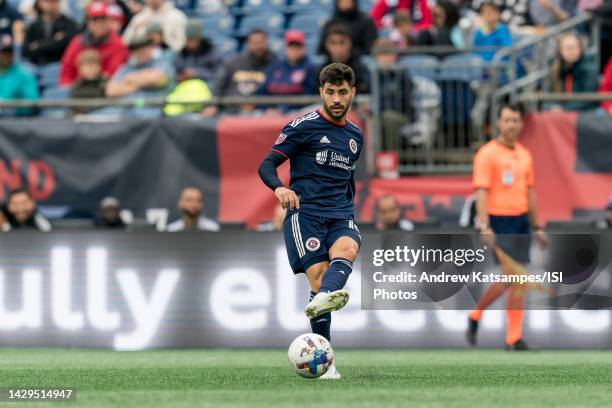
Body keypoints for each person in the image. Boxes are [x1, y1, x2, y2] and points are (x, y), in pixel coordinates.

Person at [258, 63, 363, 379]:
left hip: (341, 214)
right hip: (306, 215)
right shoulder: (302, 126)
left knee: (348, 249)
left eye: (342, 92)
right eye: (330, 92)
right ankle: (326, 361)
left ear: (352, 93)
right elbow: (267, 164)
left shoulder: (355, 135)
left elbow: (348, 180)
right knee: (319, 276)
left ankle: (321, 300)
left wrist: (349, 209)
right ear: (321, 92)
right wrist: (279, 189)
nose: (336, 98)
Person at [466, 103, 548, 351]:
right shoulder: (487, 154)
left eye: (515, 120)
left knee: (517, 280)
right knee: (517, 277)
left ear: (522, 124)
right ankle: (506, 333)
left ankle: (484, 320)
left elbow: (530, 192)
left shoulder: (525, 154)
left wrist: (538, 225)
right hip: (499, 221)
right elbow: (481, 192)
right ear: (498, 123)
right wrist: (484, 225)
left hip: (521, 220)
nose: (511, 125)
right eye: (507, 120)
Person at [207, 29, 277, 116]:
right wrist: (213, 105)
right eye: (255, 43)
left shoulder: (275, 64)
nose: (258, 46)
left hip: (261, 111)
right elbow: (219, 86)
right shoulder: (233, 63)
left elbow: (276, 90)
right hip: (232, 110)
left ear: (267, 43)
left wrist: (259, 104)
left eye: (261, 42)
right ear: (248, 44)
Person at [59, 2, 128, 86]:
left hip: (106, 90)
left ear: (108, 20)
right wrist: (69, 87)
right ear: (88, 22)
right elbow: (67, 70)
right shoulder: (77, 42)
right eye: (95, 19)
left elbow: (115, 72)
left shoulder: (117, 43)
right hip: (78, 90)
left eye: (102, 19)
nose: (99, 24)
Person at [258, 30, 317, 113]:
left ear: (304, 48)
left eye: (297, 46)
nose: (294, 50)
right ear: (286, 48)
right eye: (291, 46)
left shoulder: (311, 69)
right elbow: (262, 93)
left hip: (298, 112)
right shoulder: (274, 68)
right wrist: (267, 108)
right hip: (271, 113)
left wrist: (283, 109)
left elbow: (310, 97)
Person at [105, 34, 173, 99]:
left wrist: (128, 79)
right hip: (125, 107)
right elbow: (110, 91)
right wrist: (142, 83)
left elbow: (155, 78)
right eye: (136, 49)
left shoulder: (161, 63)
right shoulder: (126, 68)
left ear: (151, 48)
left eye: (144, 48)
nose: (140, 52)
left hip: (153, 107)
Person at [548, 32, 599, 111]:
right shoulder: (556, 69)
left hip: (586, 113)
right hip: (563, 114)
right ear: (560, 50)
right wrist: (551, 107)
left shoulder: (589, 69)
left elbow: (588, 100)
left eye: (575, 47)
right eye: (568, 47)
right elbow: (549, 96)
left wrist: (564, 109)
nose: (572, 51)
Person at [23, 0, 78, 66]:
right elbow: (26, 51)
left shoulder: (69, 24)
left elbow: (63, 45)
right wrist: (54, 40)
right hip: (36, 65)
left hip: (60, 65)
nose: (51, 4)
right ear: (39, 3)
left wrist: (38, 45)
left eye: (54, 1)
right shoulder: (34, 25)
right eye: (47, 1)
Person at [318, 24, 369, 93]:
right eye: (333, 43)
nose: (338, 47)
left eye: (342, 43)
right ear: (326, 45)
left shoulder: (361, 69)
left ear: (350, 44)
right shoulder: (320, 71)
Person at [122, 0, 187, 53]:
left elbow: (182, 46)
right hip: (140, 60)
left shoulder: (177, 17)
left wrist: (163, 39)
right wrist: (135, 28)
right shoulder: (139, 17)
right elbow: (124, 43)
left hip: (168, 59)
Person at [174, 20, 223, 86]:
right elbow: (175, 75)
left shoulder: (212, 52)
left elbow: (219, 75)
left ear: (199, 39)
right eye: (188, 39)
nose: (190, 43)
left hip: (207, 89)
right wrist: (181, 77)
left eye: (193, 39)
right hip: (185, 90)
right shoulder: (181, 54)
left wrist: (196, 73)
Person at [0, 34, 39, 116]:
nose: (7, 55)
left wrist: (11, 108)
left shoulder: (24, 75)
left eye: (10, 52)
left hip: (14, 121)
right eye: (3, 52)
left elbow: (32, 102)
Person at [69, 49, 106, 114]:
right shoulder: (77, 84)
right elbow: (73, 104)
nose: (91, 69)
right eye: (86, 66)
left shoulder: (105, 82)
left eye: (94, 65)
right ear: (80, 69)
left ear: (99, 66)